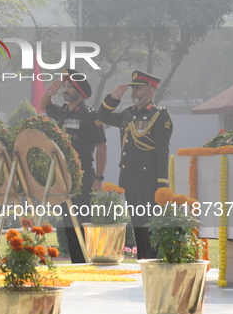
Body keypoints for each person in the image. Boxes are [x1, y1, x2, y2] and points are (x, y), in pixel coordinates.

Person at [97, 70, 173, 260]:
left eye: (138, 88)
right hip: (129, 181)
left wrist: (162, 185)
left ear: (150, 90)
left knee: (150, 227)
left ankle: (154, 263)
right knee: (138, 226)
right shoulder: (127, 114)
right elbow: (101, 116)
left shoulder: (159, 116)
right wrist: (113, 98)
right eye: (133, 88)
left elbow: (162, 153)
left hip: (149, 183)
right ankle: (143, 264)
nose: (134, 92)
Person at [40, 69, 108, 263]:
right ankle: (77, 265)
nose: (66, 89)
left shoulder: (90, 115)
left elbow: (102, 147)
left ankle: (89, 263)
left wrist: (99, 178)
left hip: (83, 176)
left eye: (70, 86)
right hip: (64, 176)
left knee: (83, 223)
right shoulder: (62, 110)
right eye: (66, 86)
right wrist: (49, 92)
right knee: (69, 225)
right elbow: (44, 105)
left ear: (79, 90)